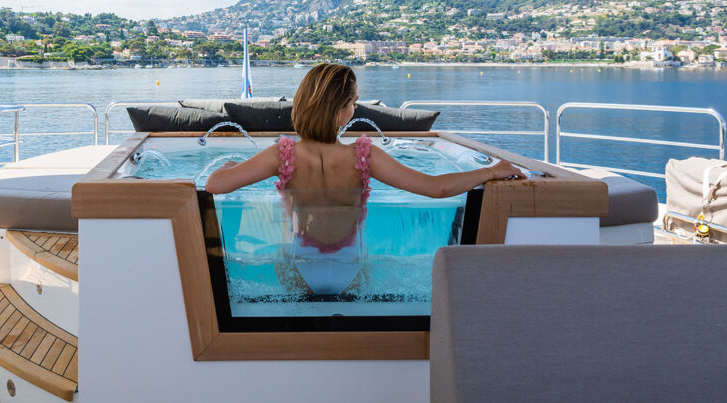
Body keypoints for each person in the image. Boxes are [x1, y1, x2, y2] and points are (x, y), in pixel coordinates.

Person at [206, 63, 524, 295]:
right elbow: (436, 188)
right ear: (342, 110)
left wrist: (232, 166)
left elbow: (215, 185)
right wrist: (491, 171)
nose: (355, 106)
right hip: (351, 269)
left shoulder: (283, 154)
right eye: (353, 101)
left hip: (300, 268)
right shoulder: (364, 155)